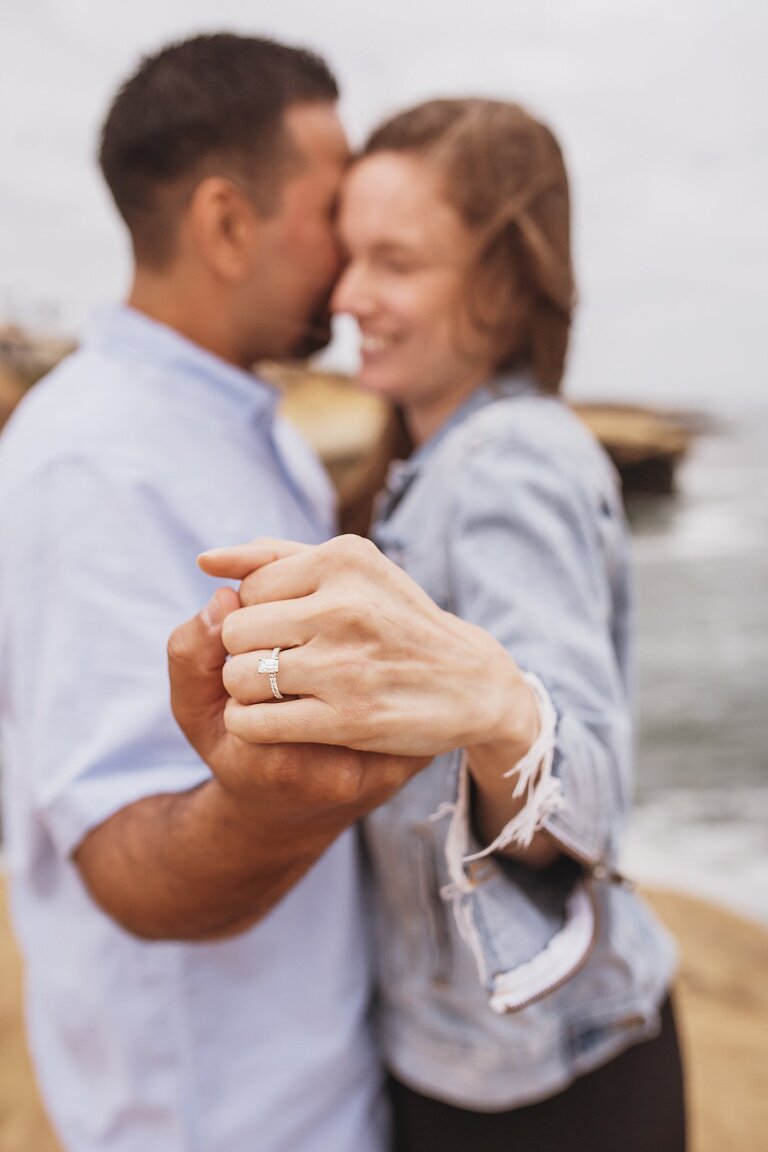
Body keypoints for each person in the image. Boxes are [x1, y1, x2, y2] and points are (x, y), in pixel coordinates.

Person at [187, 99, 687, 1151]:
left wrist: (498, 708)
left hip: (546, 1076)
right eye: (350, 255)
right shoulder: (413, 467)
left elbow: (584, 787)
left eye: (396, 262)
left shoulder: (509, 459)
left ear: (504, 283)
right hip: (449, 1053)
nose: (350, 294)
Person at [0, 34, 436, 1152]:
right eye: (332, 210)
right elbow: (129, 873)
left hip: (332, 1083)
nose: (350, 259)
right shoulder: (88, 461)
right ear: (227, 223)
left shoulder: (260, 432)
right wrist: (294, 793)